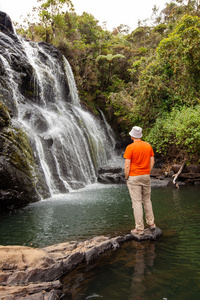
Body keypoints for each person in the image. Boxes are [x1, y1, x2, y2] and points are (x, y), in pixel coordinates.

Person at [124, 126, 156, 235]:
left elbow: (127, 165)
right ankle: (151, 224)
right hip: (146, 176)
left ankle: (139, 228)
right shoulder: (148, 146)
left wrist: (126, 177)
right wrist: (148, 172)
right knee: (147, 200)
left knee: (137, 202)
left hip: (134, 176)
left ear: (132, 136)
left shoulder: (130, 147)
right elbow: (152, 161)